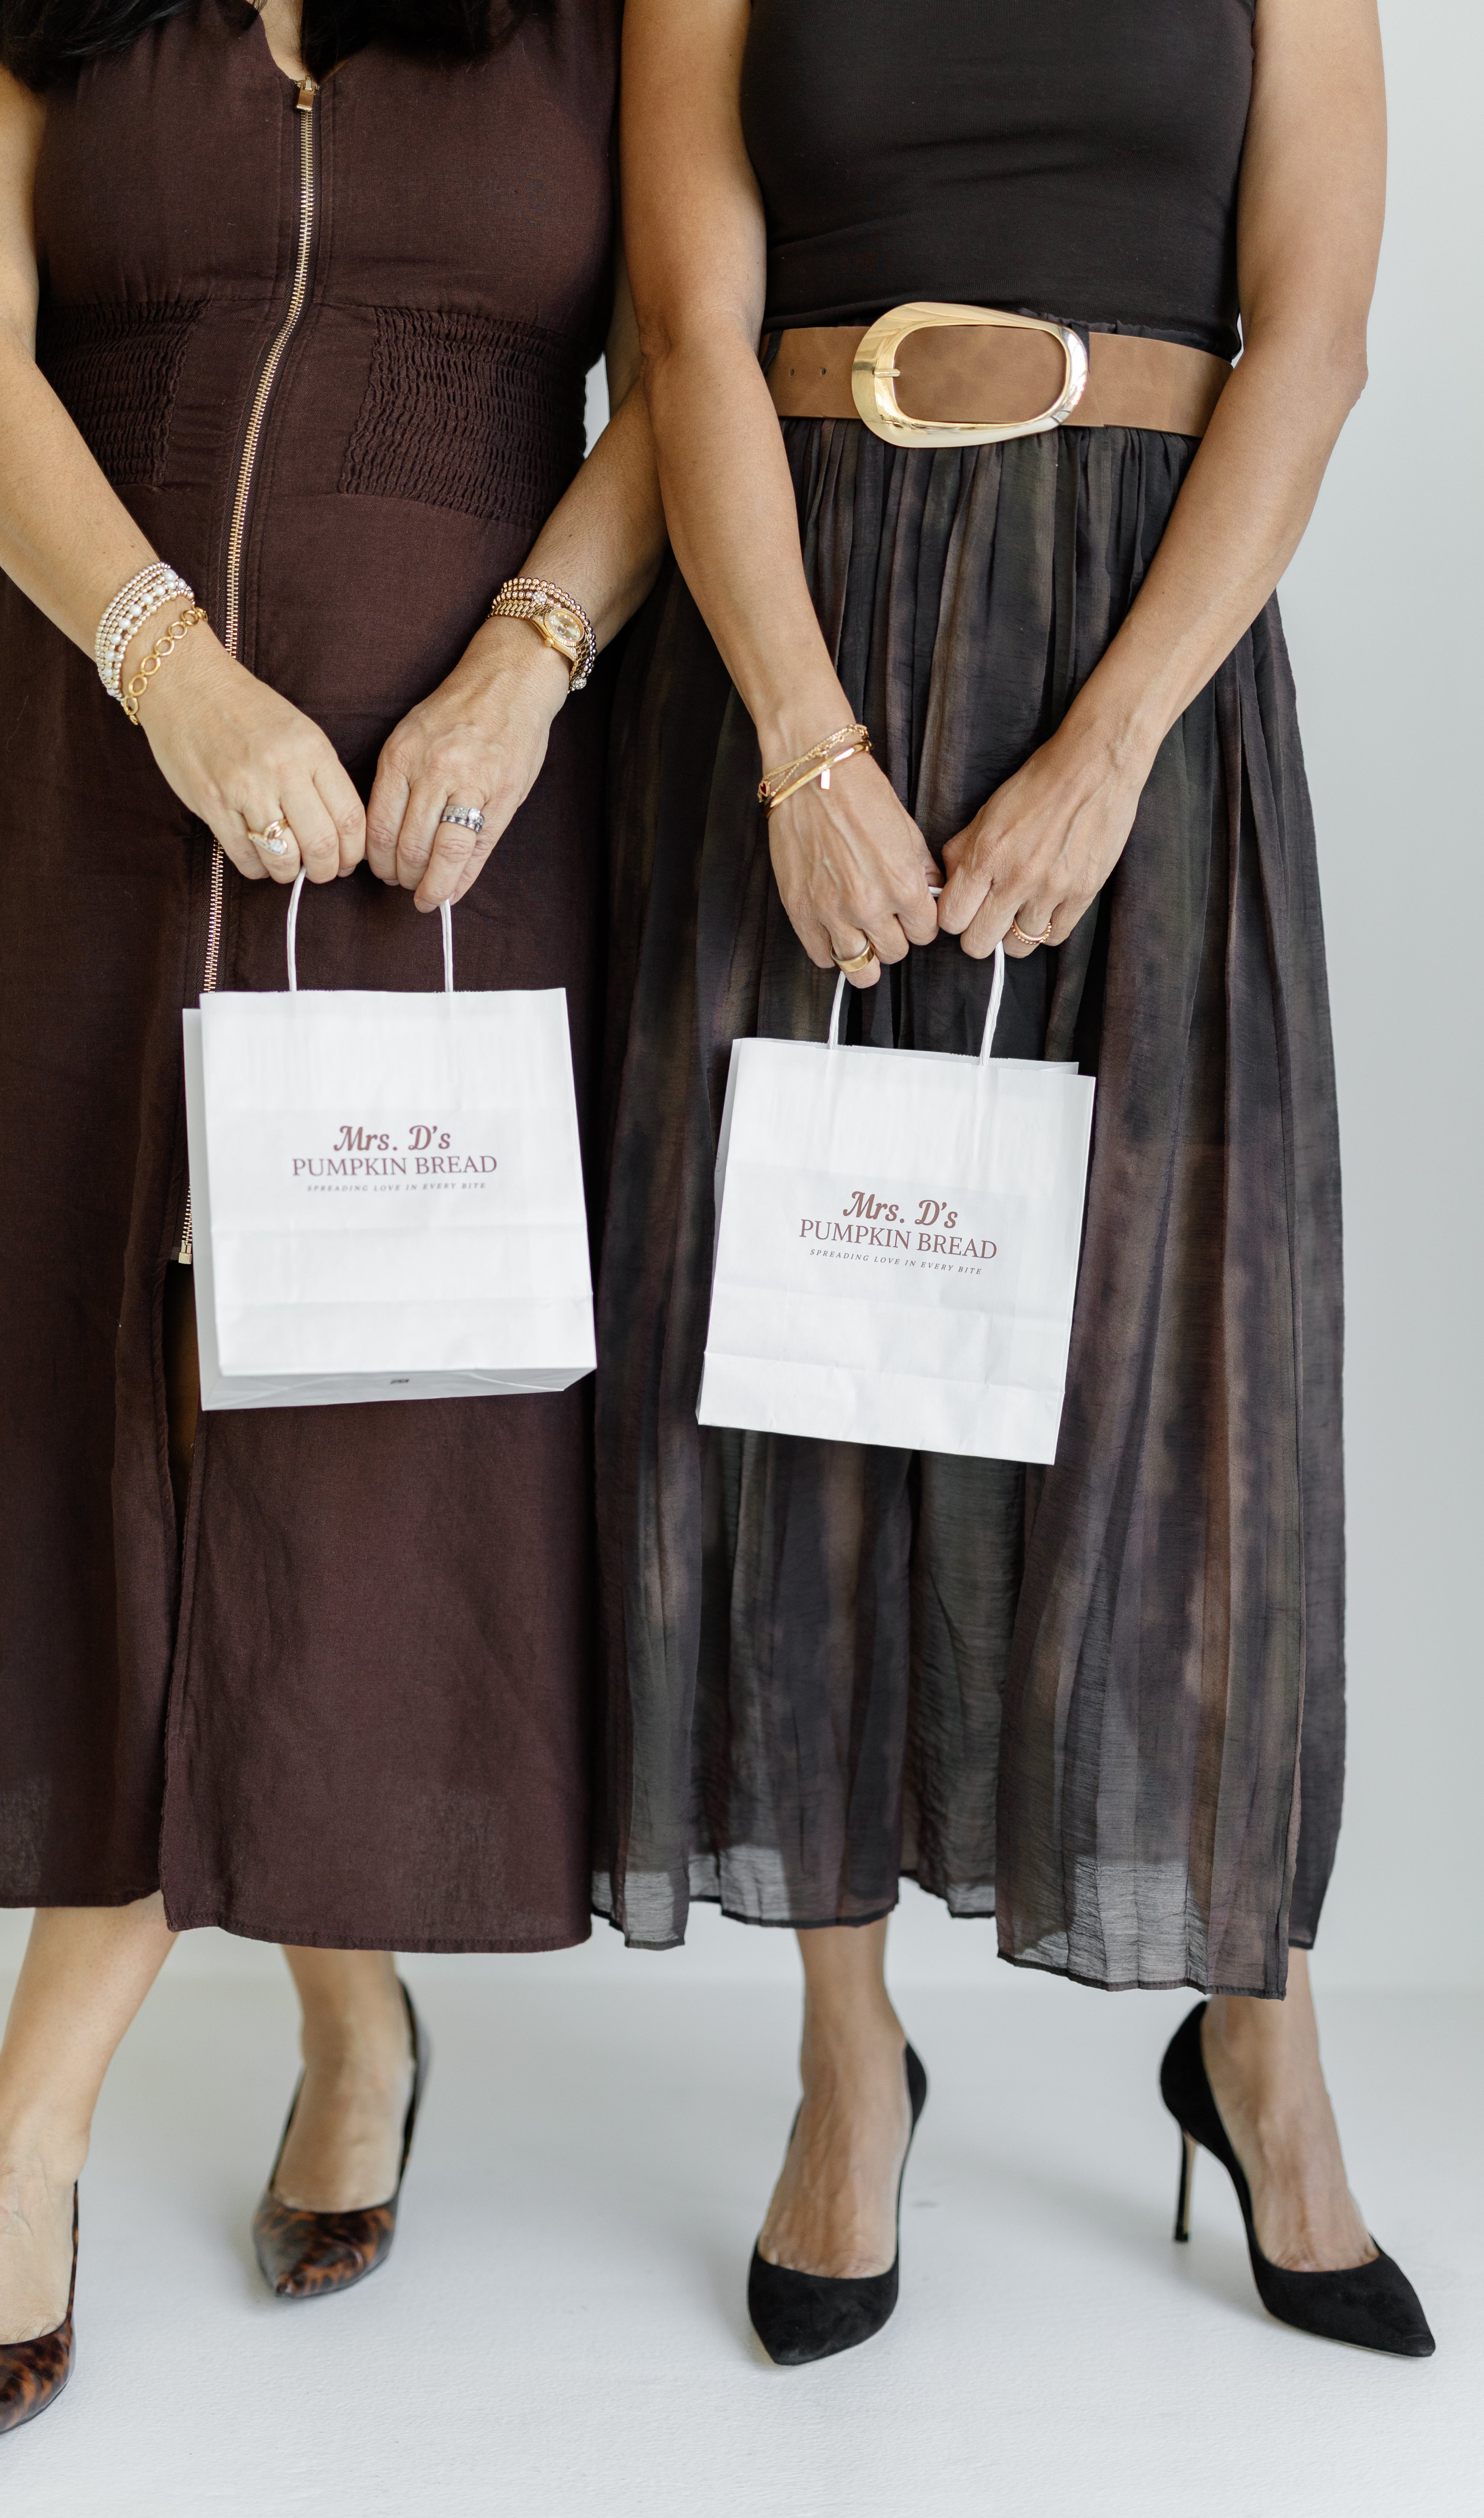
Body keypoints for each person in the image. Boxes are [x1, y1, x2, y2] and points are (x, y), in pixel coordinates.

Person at [0, 0, 660, 2441]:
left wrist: (525, 669)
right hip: (88, 779)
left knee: (348, 1420)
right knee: (91, 1407)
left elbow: (686, 381)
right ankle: (322, 2008)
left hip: (451, 830)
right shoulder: (12, 8)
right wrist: (172, 676)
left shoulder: (606, 19)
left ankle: (54, 2119)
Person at [597, 0, 1433, 2363]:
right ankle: (846, 2060)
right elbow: (687, 329)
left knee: (1191, 1382)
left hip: (1143, 651)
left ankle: (1254, 2043)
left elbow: (1313, 341)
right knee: (797, 1355)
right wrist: (800, 744)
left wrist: (1112, 746)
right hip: (800, 637)